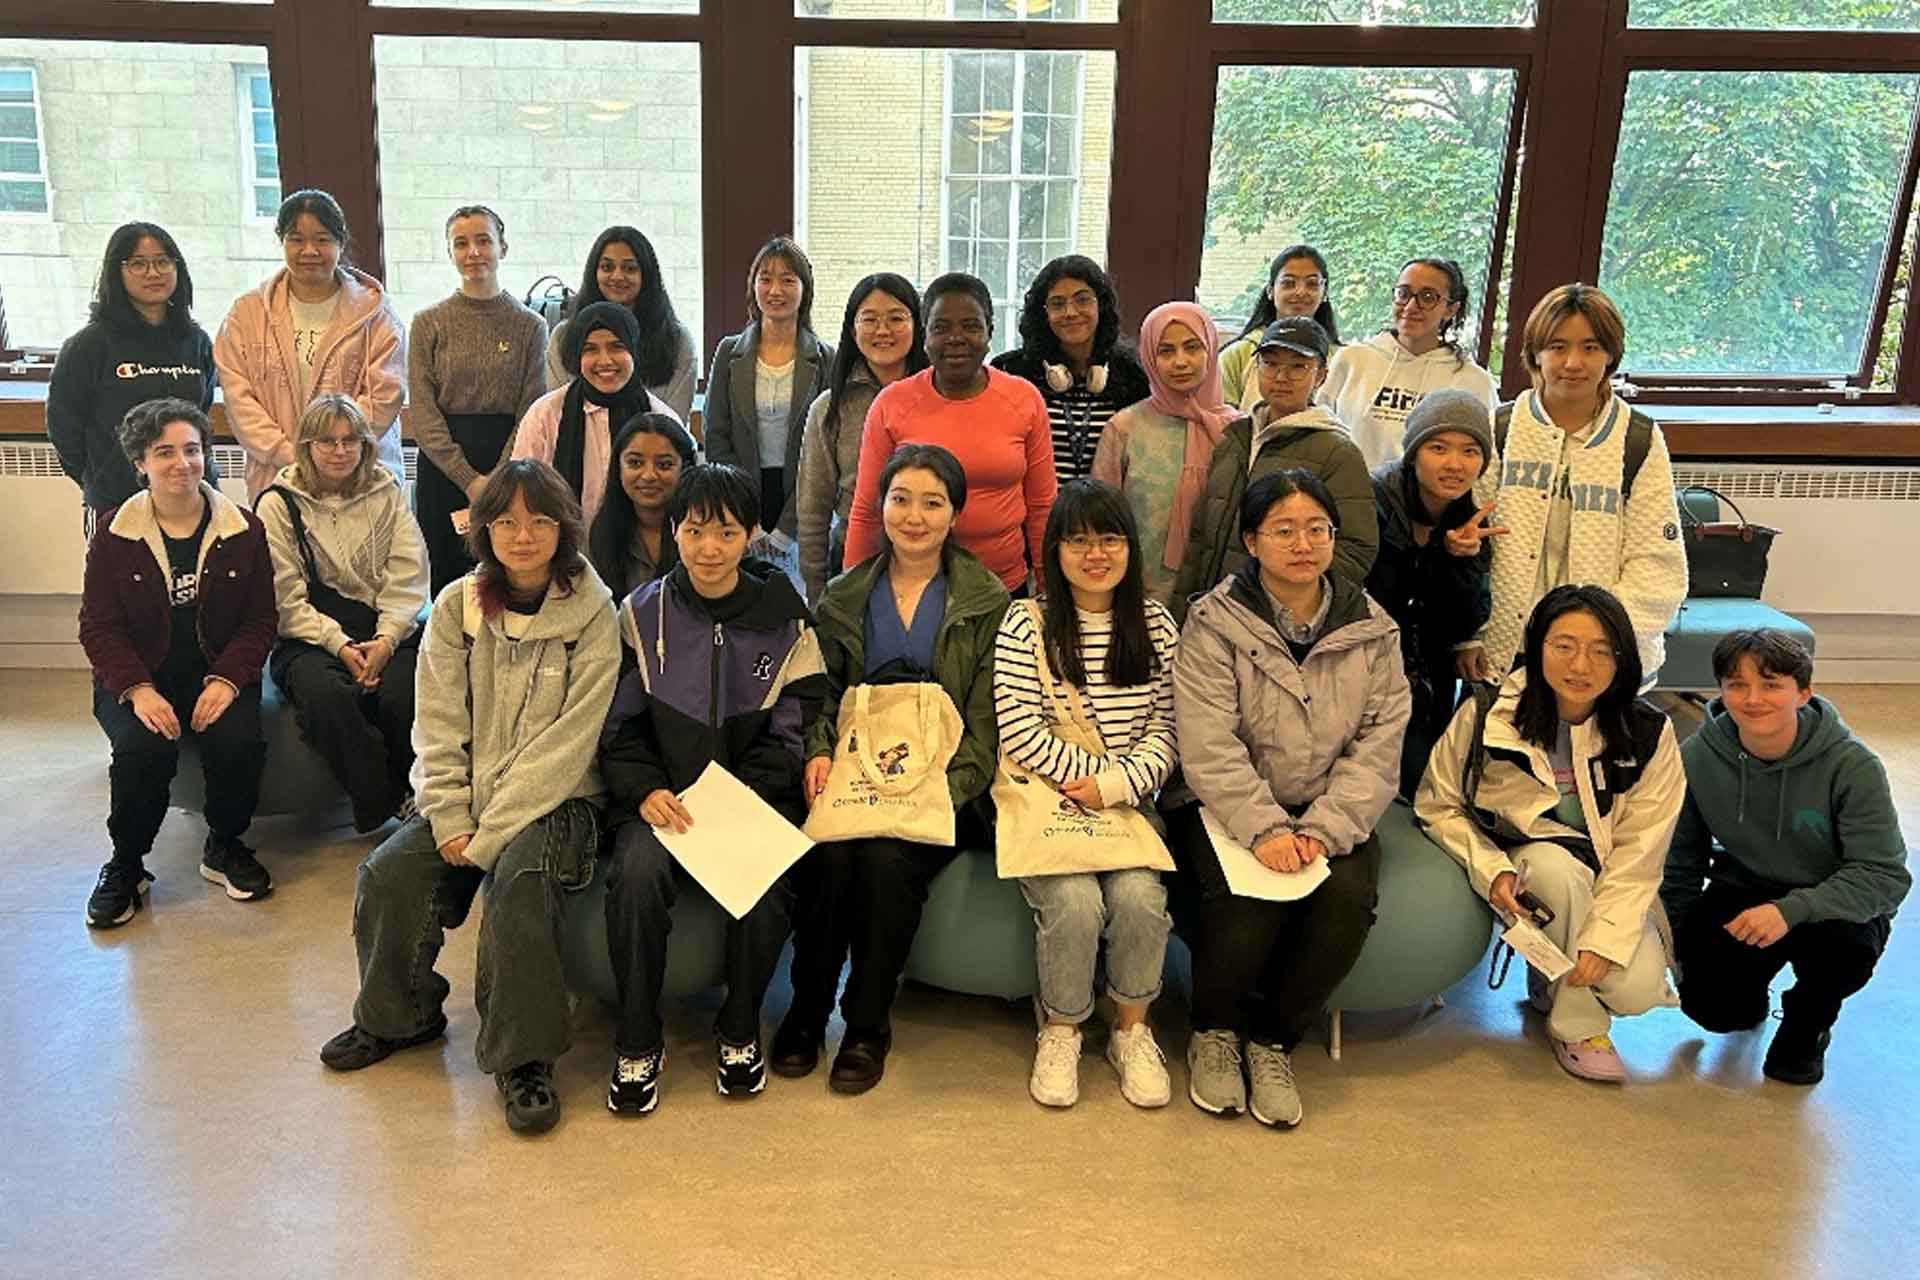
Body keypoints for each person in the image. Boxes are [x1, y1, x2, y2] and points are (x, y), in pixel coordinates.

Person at [319, 460, 619, 1137]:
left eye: (539, 521)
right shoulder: (457, 605)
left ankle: (524, 1057)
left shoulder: (594, 614)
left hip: (559, 800)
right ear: (484, 530)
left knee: (520, 880)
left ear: (564, 528)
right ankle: (399, 1015)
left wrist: (485, 840)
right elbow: (439, 722)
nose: (522, 535)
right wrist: (450, 814)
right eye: (506, 521)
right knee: (389, 871)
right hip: (467, 795)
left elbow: (571, 745)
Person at [1170, 469, 1409, 1126]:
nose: (1302, 544)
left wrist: (1325, 829)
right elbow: (1208, 742)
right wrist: (1266, 828)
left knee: (1347, 899)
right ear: (1252, 539)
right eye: (1283, 530)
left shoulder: (1372, 628)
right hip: (1227, 806)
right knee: (1245, 898)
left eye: (1317, 529)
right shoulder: (1215, 623)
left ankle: (1274, 1039)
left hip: (1328, 808)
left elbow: (1380, 743)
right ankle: (1214, 1033)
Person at [773, 444, 1009, 1093]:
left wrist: (941, 788)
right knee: (829, 857)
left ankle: (868, 1022)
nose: (914, 515)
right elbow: (818, 693)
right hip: (855, 779)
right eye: (901, 499)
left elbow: (987, 723)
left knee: (884, 862)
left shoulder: (985, 601)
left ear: (954, 514)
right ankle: (808, 1006)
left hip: (940, 788)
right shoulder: (845, 596)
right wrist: (819, 752)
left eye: (932, 502)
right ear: (879, 507)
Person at [599, 463, 826, 1112]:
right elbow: (620, 725)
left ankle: (739, 1026)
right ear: (674, 533)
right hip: (661, 802)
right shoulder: (641, 616)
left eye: (725, 533)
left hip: (749, 797)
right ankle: (638, 1038)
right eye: (694, 530)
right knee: (635, 875)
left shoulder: (784, 617)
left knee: (767, 888)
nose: (708, 548)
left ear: (750, 536)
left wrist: (743, 794)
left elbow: (796, 722)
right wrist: (643, 789)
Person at [1416, 585, 1683, 1083]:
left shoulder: (1649, 732)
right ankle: (1578, 1028)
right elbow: (1438, 805)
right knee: (1551, 867)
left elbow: (1641, 852)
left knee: (1639, 989)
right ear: (1537, 646)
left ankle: (1551, 979)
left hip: (1603, 878)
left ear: (1623, 658)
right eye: (1564, 645)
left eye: (1601, 650)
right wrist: (1490, 866)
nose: (1580, 665)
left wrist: (1605, 940)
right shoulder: (1487, 714)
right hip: (1524, 872)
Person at [994, 479, 1179, 1110]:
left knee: (1138, 899)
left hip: (1130, 803)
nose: (1095, 553)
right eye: (1077, 540)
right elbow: (1018, 729)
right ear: (1054, 551)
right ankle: (1062, 1028)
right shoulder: (1027, 621)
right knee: (1073, 902)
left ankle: (1132, 1030)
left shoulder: (1154, 623)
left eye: (1109, 538)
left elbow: (1169, 725)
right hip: (1047, 801)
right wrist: (1085, 782)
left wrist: (1116, 785)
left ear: (1130, 547)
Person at [1662, 630, 1910, 1086]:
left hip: (1833, 898)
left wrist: (1790, 911)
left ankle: (1809, 1020)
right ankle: (1748, 993)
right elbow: (1681, 861)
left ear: (1803, 692)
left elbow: (1884, 875)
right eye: (1737, 685)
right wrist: (1676, 939)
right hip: (1745, 886)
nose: (1753, 698)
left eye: (1771, 683)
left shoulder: (1853, 766)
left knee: (1842, 955)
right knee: (1715, 1012)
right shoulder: (1697, 757)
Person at [79, 399, 276, 928]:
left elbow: (260, 622)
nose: (181, 464)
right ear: (140, 462)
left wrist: (230, 680)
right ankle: (126, 864)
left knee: (238, 740)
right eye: (164, 452)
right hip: (140, 674)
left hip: (217, 665)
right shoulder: (114, 533)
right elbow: (98, 627)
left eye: (192, 450)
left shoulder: (245, 530)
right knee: (143, 746)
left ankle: (226, 843)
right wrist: (139, 690)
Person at [1458, 283, 1686, 686]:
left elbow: (1656, 565)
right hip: (1505, 652)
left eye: (1591, 347)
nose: (1573, 362)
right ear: (1535, 353)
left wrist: (1600, 643)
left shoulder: (1638, 439)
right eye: (1558, 347)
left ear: (1611, 354)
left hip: (1601, 656)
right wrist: (1467, 634)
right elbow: (1470, 546)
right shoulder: (1500, 428)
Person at [256, 395, 430, 834]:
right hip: (310, 635)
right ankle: (387, 800)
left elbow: (408, 575)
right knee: (327, 698)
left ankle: (423, 794)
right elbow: (284, 597)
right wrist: (340, 645)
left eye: (350, 440)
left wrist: (387, 640)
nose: (340, 451)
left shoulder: (388, 491)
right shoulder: (277, 504)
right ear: (307, 445)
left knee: (401, 696)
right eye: (327, 441)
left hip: (387, 626)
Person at [844, 272, 1056, 595]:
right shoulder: (891, 404)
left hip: (1004, 587)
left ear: (990, 333)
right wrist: (853, 596)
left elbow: (1042, 505)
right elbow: (866, 510)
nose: (956, 338)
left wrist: (1048, 589)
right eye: (941, 327)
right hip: (915, 589)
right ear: (924, 336)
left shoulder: (1024, 400)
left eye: (971, 326)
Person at [1168, 316, 1377, 618]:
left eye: (1297, 366)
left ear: (1320, 376)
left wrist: (1290, 602)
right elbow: (1201, 538)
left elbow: (1356, 550)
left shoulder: (1338, 452)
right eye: (1270, 363)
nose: (1281, 376)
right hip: (1213, 613)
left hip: (1277, 623)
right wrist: (1181, 612)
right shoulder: (1234, 438)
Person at [214, 189, 406, 501]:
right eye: (296, 239)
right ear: (282, 241)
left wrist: (333, 453)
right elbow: (239, 399)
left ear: (341, 243)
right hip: (278, 477)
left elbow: (384, 395)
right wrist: (291, 456)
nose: (309, 250)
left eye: (322, 239)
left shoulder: (376, 314)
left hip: (361, 476)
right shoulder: (246, 314)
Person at [406, 205, 549, 595]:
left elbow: (531, 409)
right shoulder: (427, 323)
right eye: (461, 243)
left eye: (483, 241)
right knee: (450, 579)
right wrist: (469, 480)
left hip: (509, 461)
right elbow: (423, 412)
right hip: (444, 468)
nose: (473, 252)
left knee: (510, 572)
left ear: (503, 247)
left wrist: (497, 479)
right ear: (450, 252)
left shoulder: (530, 326)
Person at [1366, 389, 1497, 799]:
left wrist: (1458, 560)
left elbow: (1461, 622)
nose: (1455, 464)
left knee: (1425, 786)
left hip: (1429, 682)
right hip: (1366, 675)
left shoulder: (1473, 518)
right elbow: (1374, 600)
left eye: (1470, 451)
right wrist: (1438, 554)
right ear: (1414, 452)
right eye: (1439, 448)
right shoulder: (1373, 501)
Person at [49, 222, 220, 533]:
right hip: (117, 501)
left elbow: (201, 414)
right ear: (117, 271)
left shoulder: (196, 341)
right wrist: (99, 479)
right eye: (138, 263)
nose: (153, 273)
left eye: (163, 261)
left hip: (191, 498)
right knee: (121, 582)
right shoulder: (90, 345)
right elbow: (65, 429)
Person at [1090, 300, 1237, 606]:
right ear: (1148, 358)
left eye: (1192, 347)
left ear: (1211, 349)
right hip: (1141, 596)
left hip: (1222, 597)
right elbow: (1102, 519)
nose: (1180, 361)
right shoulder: (1125, 428)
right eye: (1165, 351)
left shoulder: (1238, 431)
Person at [701, 236, 833, 576]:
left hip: (803, 500)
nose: (775, 290)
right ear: (753, 286)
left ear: (805, 290)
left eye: (788, 280)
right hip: (740, 496)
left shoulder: (825, 358)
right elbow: (716, 436)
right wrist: (746, 518)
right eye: (766, 278)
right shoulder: (729, 353)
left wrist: (788, 528)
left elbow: (826, 450)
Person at [794, 273, 929, 606]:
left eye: (896, 318)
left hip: (931, 555)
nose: (883, 331)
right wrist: (816, 593)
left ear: (918, 325)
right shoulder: (829, 408)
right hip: (854, 556)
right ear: (853, 331)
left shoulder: (939, 398)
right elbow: (813, 508)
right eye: (870, 320)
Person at [1318, 257, 1497, 468]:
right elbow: (1319, 434)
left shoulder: (1473, 381)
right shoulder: (1352, 360)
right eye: (1403, 294)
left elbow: (1486, 460)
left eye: (1428, 297)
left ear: (1451, 309)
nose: (1411, 306)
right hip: (1349, 495)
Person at [509, 301, 678, 524]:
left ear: (634, 351)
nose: (605, 361)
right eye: (590, 349)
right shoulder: (545, 414)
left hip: (640, 552)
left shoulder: (661, 419)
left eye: (617, 346)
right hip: (563, 551)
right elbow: (521, 491)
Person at [989, 255, 1151, 485]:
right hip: (1034, 514)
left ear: (1101, 305)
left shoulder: (1131, 375)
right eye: (1057, 303)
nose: (1070, 312)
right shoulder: (1012, 372)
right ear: (1043, 313)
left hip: (1103, 515)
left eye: (1082, 300)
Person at [543, 225, 697, 422]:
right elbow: (555, 414)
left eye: (629, 268)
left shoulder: (678, 341)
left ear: (646, 275)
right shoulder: (563, 336)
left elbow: (674, 424)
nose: (617, 276)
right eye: (607, 267)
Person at [586, 411, 698, 605]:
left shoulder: (705, 531)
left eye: (664, 465)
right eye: (635, 463)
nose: (648, 475)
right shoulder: (599, 532)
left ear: (685, 468)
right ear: (618, 466)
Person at [1217, 245, 1342, 408]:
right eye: (1289, 283)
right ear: (1270, 290)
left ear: (1324, 292)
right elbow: (1221, 422)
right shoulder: (1238, 356)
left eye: (1312, 284)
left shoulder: (1342, 360)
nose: (1300, 292)